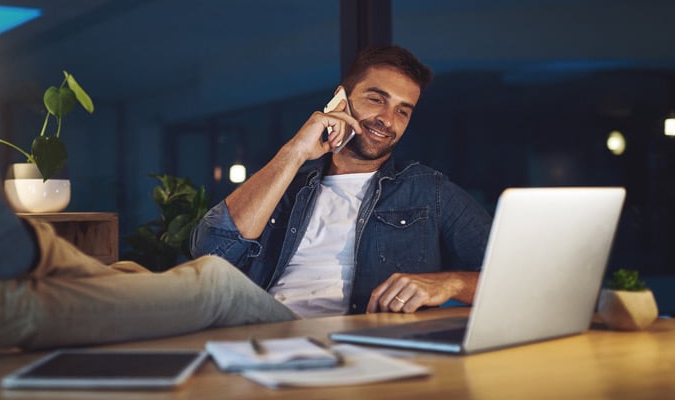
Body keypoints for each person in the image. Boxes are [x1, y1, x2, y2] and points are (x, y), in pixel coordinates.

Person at [0, 87, 296, 360]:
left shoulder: (366, 190)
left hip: (317, 328)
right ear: (338, 101)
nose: (365, 117)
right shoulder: (303, 175)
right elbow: (213, 242)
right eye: (365, 96)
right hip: (275, 314)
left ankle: (22, 252)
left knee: (218, 283)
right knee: (124, 275)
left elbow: (215, 262)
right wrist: (296, 150)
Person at [191, 45, 493, 317]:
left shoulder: (428, 190)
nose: (387, 119)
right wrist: (295, 151)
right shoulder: (286, 187)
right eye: (376, 99)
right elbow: (211, 254)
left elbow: (513, 276)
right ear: (340, 100)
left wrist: (450, 283)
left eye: (402, 111)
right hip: (268, 331)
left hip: (365, 340)